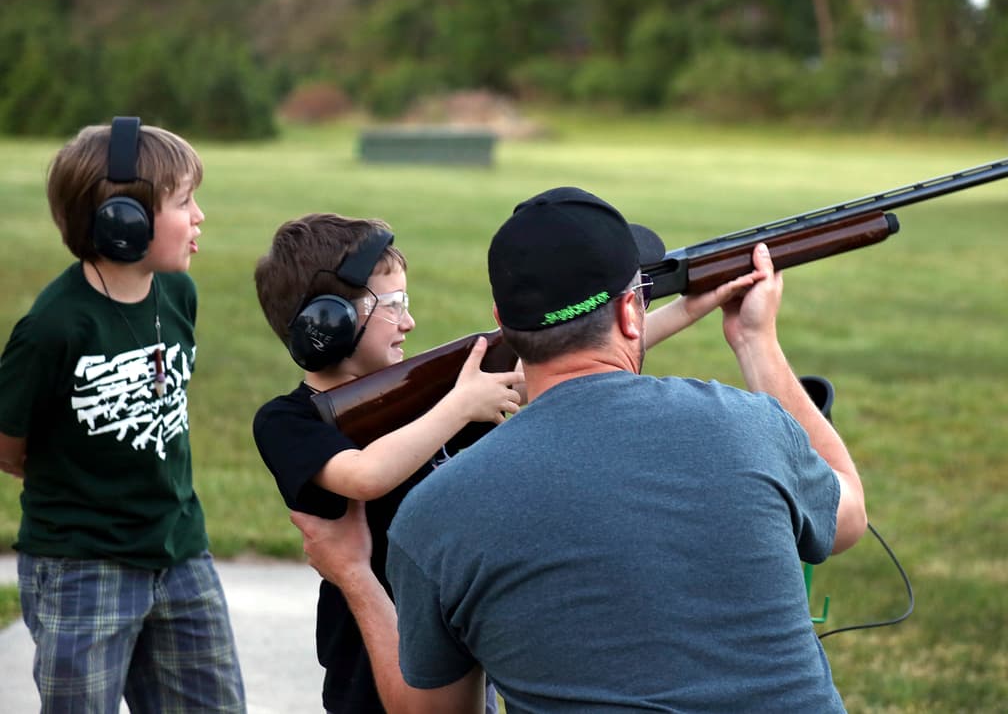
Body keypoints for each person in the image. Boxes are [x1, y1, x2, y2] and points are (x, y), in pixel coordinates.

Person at [293, 186, 867, 713]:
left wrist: (354, 575)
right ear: (630, 312)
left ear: (503, 323)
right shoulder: (753, 426)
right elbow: (847, 519)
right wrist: (755, 340)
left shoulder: (434, 514)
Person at [0, 117, 246, 713]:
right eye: (184, 202)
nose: (200, 216)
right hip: (83, 567)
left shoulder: (178, 293)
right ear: (122, 222)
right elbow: (7, 444)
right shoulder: (55, 326)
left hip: (180, 550)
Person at [251, 213, 524, 714]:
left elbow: (564, 364)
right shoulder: (287, 420)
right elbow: (366, 475)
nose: (408, 322)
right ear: (328, 322)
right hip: (366, 667)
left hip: (454, 650)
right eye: (393, 305)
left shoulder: (422, 397)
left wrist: (663, 310)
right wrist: (460, 405)